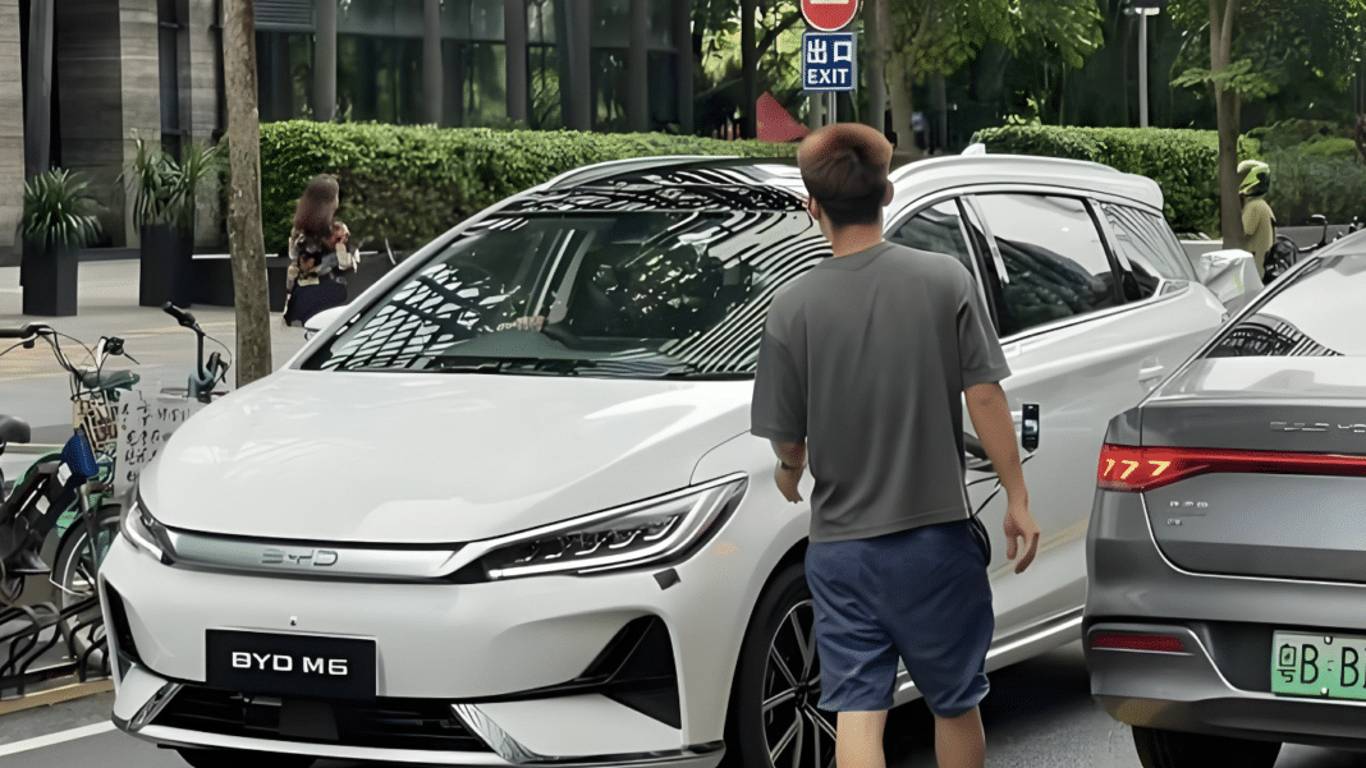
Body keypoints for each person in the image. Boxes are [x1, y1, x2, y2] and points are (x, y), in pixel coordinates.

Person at [750, 123, 1041, 768]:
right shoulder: (944, 280)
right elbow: (985, 397)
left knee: (858, 710)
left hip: (842, 552)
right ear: (886, 193)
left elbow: (788, 439)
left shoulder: (792, 306)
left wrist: (789, 471)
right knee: (955, 702)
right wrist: (1017, 497)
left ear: (812, 206)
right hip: (935, 543)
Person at [283, 174, 359, 325]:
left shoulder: (298, 228)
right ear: (331, 202)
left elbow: (293, 256)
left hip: (300, 298)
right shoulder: (338, 229)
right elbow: (347, 265)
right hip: (328, 296)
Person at [1238, 159, 1276, 277]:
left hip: (1253, 271)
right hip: (1261, 268)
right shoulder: (1262, 205)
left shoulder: (1253, 207)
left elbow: (1240, 235)